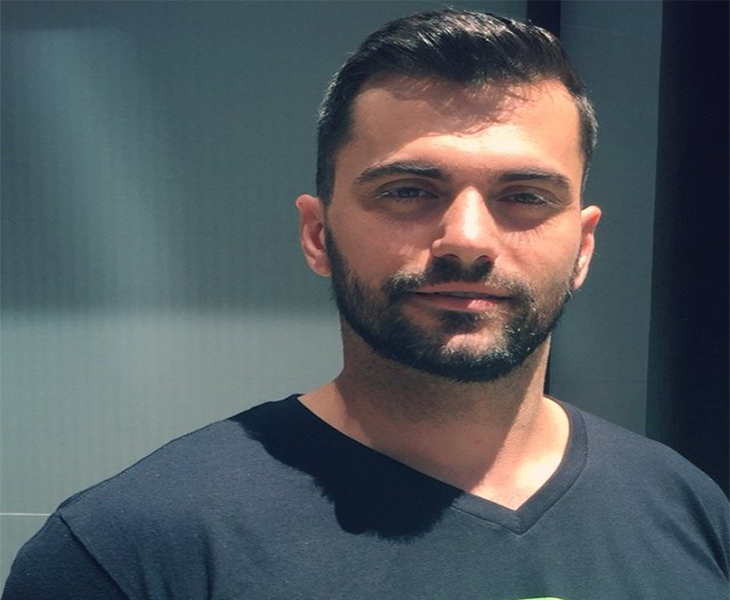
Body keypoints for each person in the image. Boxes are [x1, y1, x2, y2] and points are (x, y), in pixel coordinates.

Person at [3, 8, 728, 600]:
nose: (466, 240)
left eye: (525, 196)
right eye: (408, 190)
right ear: (319, 235)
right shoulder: (127, 552)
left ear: (584, 248)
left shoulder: (686, 506)